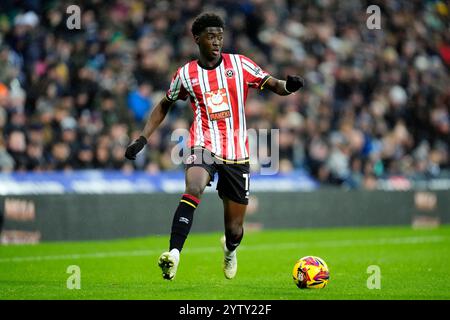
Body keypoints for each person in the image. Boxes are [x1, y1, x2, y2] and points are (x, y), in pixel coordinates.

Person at [125, 13, 304, 280]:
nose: (217, 41)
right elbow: (165, 104)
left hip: (236, 153)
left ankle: (230, 251)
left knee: (234, 229)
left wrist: (289, 86)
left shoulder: (240, 64)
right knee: (194, 186)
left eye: (220, 36)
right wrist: (142, 138)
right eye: (211, 36)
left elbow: (272, 84)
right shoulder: (186, 74)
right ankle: (173, 254)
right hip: (203, 144)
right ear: (197, 39)